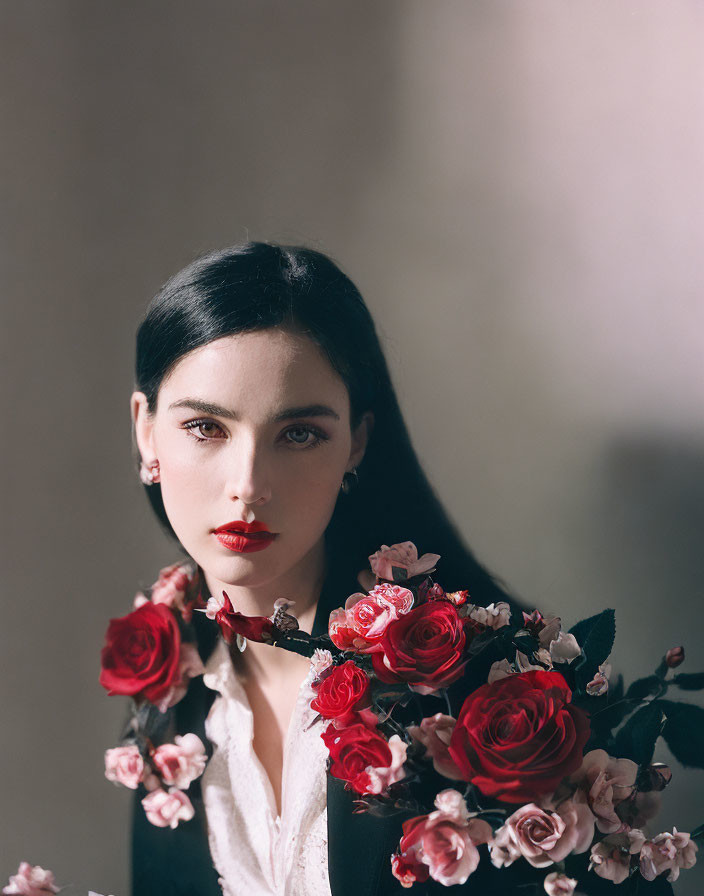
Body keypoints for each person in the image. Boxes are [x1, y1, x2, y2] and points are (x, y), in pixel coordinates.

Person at [128, 242, 520, 896]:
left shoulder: (482, 697)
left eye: (299, 434)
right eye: (205, 427)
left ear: (356, 443)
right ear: (147, 433)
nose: (248, 485)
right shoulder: (164, 704)